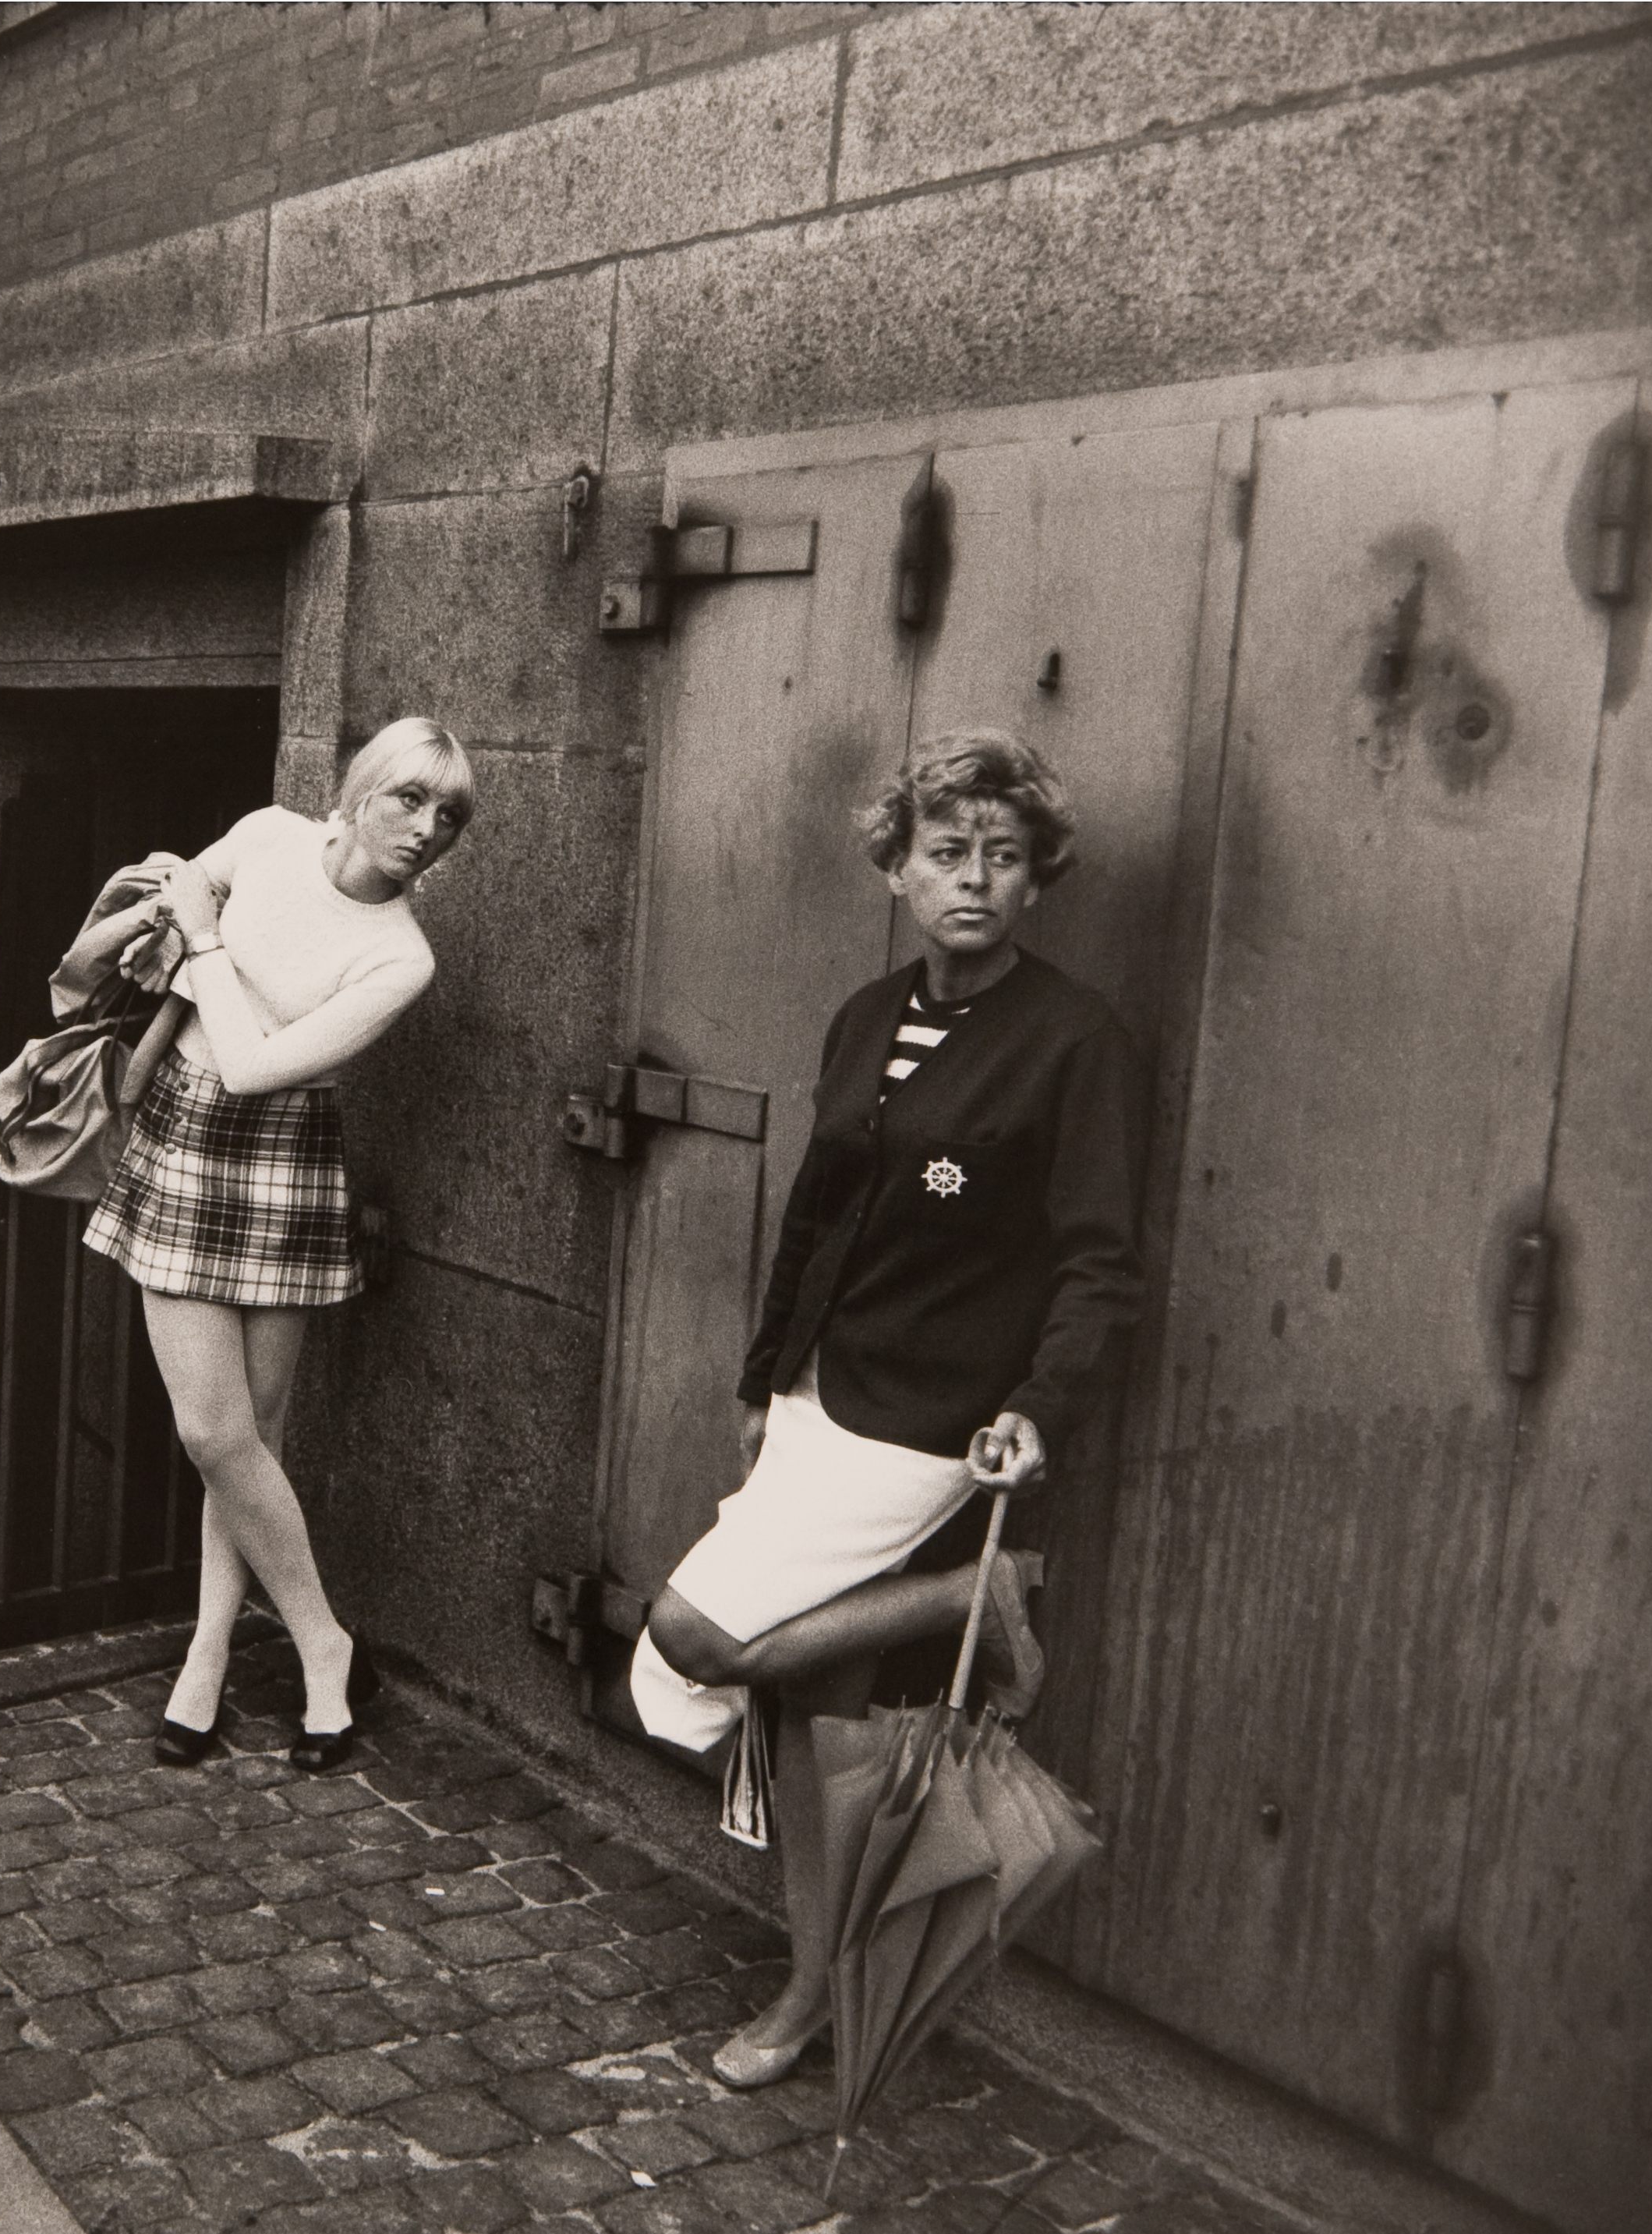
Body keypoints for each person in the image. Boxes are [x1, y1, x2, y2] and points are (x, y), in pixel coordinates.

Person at [629, 729, 1147, 2089]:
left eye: (1004, 856)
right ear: (898, 868)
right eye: (944, 853)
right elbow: (815, 1214)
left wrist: (1041, 1406)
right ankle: (811, 1993)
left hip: (930, 1418)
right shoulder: (867, 1014)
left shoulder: (1077, 1042)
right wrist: (760, 1382)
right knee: (818, 1712)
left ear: (1039, 878)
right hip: (818, 1393)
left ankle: (980, 1591)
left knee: (691, 1636)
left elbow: (1100, 1260)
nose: (972, 878)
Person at [77, 717, 475, 1773]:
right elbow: (147, 928)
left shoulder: (400, 957)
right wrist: (160, 920)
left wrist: (206, 941)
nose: (427, 828)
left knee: (252, 1434)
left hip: (284, 1156)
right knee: (216, 1435)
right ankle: (323, 1641)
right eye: (409, 800)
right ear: (358, 791)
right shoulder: (264, 837)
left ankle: (206, 1656)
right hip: (180, 1139)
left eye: (449, 816)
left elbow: (258, 1067)